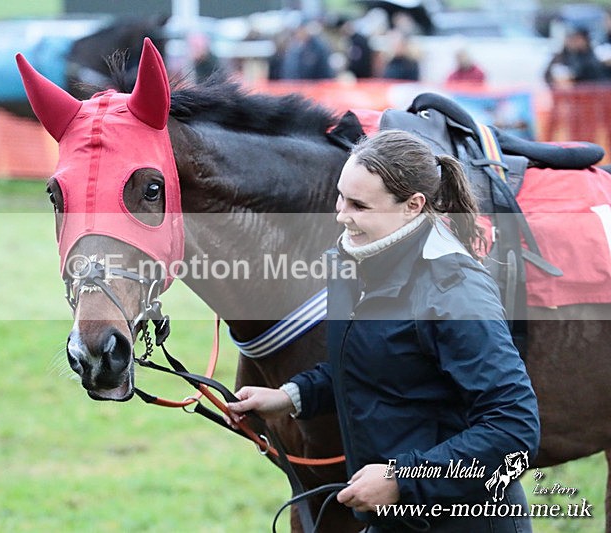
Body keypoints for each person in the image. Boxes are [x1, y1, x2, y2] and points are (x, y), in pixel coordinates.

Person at [227, 130, 540, 532]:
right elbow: (375, 363)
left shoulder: (456, 291)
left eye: (359, 205)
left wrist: (402, 481)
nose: (341, 214)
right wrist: (291, 396)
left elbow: (514, 428)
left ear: (413, 206)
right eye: (341, 197)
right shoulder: (353, 262)